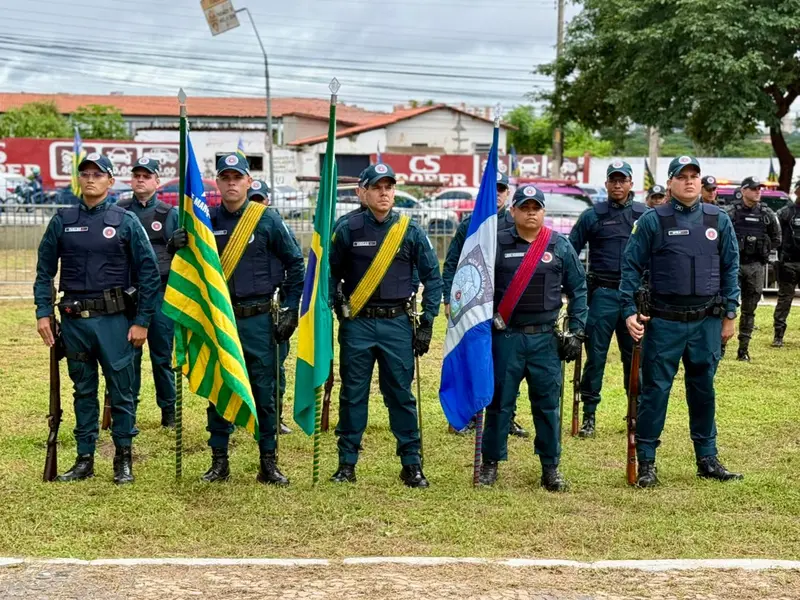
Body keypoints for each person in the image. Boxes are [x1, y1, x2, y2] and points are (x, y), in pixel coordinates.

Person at [33, 153, 160, 484]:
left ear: (110, 180)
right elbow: (44, 270)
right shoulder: (62, 220)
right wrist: (43, 312)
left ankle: (123, 460)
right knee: (83, 389)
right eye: (85, 173)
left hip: (115, 321)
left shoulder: (125, 221)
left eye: (97, 174)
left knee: (122, 391)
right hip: (74, 321)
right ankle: (84, 459)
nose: (90, 178)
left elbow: (149, 274)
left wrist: (143, 320)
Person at [622, 155, 742, 488]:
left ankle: (707, 458)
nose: (689, 181)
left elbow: (731, 268)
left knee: (703, 390)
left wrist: (730, 314)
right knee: (655, 392)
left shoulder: (718, 219)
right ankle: (646, 461)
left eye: (694, 175)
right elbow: (630, 267)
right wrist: (630, 311)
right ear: (671, 183)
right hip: (664, 323)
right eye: (682, 176)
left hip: (706, 322)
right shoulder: (652, 221)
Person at [193, 154, 305, 485]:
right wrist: (178, 243)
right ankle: (219, 460)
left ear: (248, 182)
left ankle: (268, 463)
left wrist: (290, 309)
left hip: (258, 319)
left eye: (237, 177)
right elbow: (187, 263)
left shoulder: (267, 220)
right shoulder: (205, 220)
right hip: (220, 319)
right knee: (219, 388)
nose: (231, 183)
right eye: (225, 177)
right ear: (217, 182)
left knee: (265, 390)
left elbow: (295, 264)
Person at [329, 163, 442, 487]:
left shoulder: (409, 229)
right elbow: (329, 275)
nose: (384, 193)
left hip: (397, 325)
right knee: (353, 395)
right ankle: (346, 464)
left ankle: (411, 464)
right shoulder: (347, 228)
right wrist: (334, 307)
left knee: (401, 396)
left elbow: (433, 279)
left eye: (389, 187)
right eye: (377, 187)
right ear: (362, 192)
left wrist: (427, 322)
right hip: (358, 325)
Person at [478, 184, 588, 491]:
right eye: (524, 207)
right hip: (506, 338)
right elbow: (478, 285)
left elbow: (578, 290)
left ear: (543, 211)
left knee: (547, 405)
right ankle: (490, 463)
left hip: (545, 341)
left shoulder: (559, 245)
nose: (530, 212)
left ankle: (550, 467)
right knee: (499, 403)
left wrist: (577, 331)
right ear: (512, 211)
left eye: (536, 207)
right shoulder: (495, 243)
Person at [441, 171, 528, 438]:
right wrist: (448, 300)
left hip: (507, 306)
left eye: (501, 189)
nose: (497, 194)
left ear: (508, 193)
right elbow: (451, 265)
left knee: (506, 365)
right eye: (493, 189)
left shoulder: (518, 225)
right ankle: (469, 414)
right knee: (473, 357)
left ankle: (506, 416)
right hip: (474, 305)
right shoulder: (470, 224)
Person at [568, 160, 646, 438]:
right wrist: (575, 285)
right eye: (613, 180)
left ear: (630, 184)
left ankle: (635, 413)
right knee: (595, 357)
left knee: (634, 357)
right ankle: (589, 414)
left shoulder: (644, 215)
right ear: (606, 184)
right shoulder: (592, 215)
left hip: (634, 298)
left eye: (622, 180)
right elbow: (569, 251)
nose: (617, 184)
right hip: (601, 294)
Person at [116, 157, 179, 428]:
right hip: (129, 294)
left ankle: (168, 412)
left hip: (162, 295)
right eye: (136, 175)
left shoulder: (169, 213)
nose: (141, 179)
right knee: (128, 357)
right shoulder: (118, 210)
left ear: (157, 181)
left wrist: (178, 244)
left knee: (162, 356)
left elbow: (184, 256)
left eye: (146, 175)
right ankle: (128, 409)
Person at [248, 178, 296, 434]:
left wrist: (290, 307)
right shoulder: (233, 228)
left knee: (274, 367)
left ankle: (274, 416)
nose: (256, 205)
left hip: (272, 307)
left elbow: (295, 264)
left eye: (260, 200)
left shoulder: (277, 226)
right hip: (242, 307)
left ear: (267, 201)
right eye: (251, 199)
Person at [725, 176, 780, 361]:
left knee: (749, 309)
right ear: (744, 190)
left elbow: (776, 237)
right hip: (734, 265)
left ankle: (743, 349)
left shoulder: (766, 214)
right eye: (754, 188)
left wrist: (763, 249)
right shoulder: (731, 212)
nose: (758, 191)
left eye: (760, 188)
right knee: (727, 306)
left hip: (755, 266)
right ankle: (721, 346)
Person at [772, 180, 800, 347]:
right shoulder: (785, 213)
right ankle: (778, 336)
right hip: (788, 263)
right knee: (784, 301)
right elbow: (776, 238)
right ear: (796, 191)